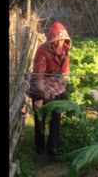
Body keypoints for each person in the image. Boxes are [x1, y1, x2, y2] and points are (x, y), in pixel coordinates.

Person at [27, 22, 71, 158]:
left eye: (62, 40)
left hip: (56, 85)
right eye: (57, 40)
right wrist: (41, 95)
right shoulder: (43, 51)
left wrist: (66, 81)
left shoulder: (64, 50)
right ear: (52, 40)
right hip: (41, 83)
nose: (59, 43)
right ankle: (39, 146)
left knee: (56, 117)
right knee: (40, 115)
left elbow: (65, 69)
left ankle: (52, 147)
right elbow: (38, 74)